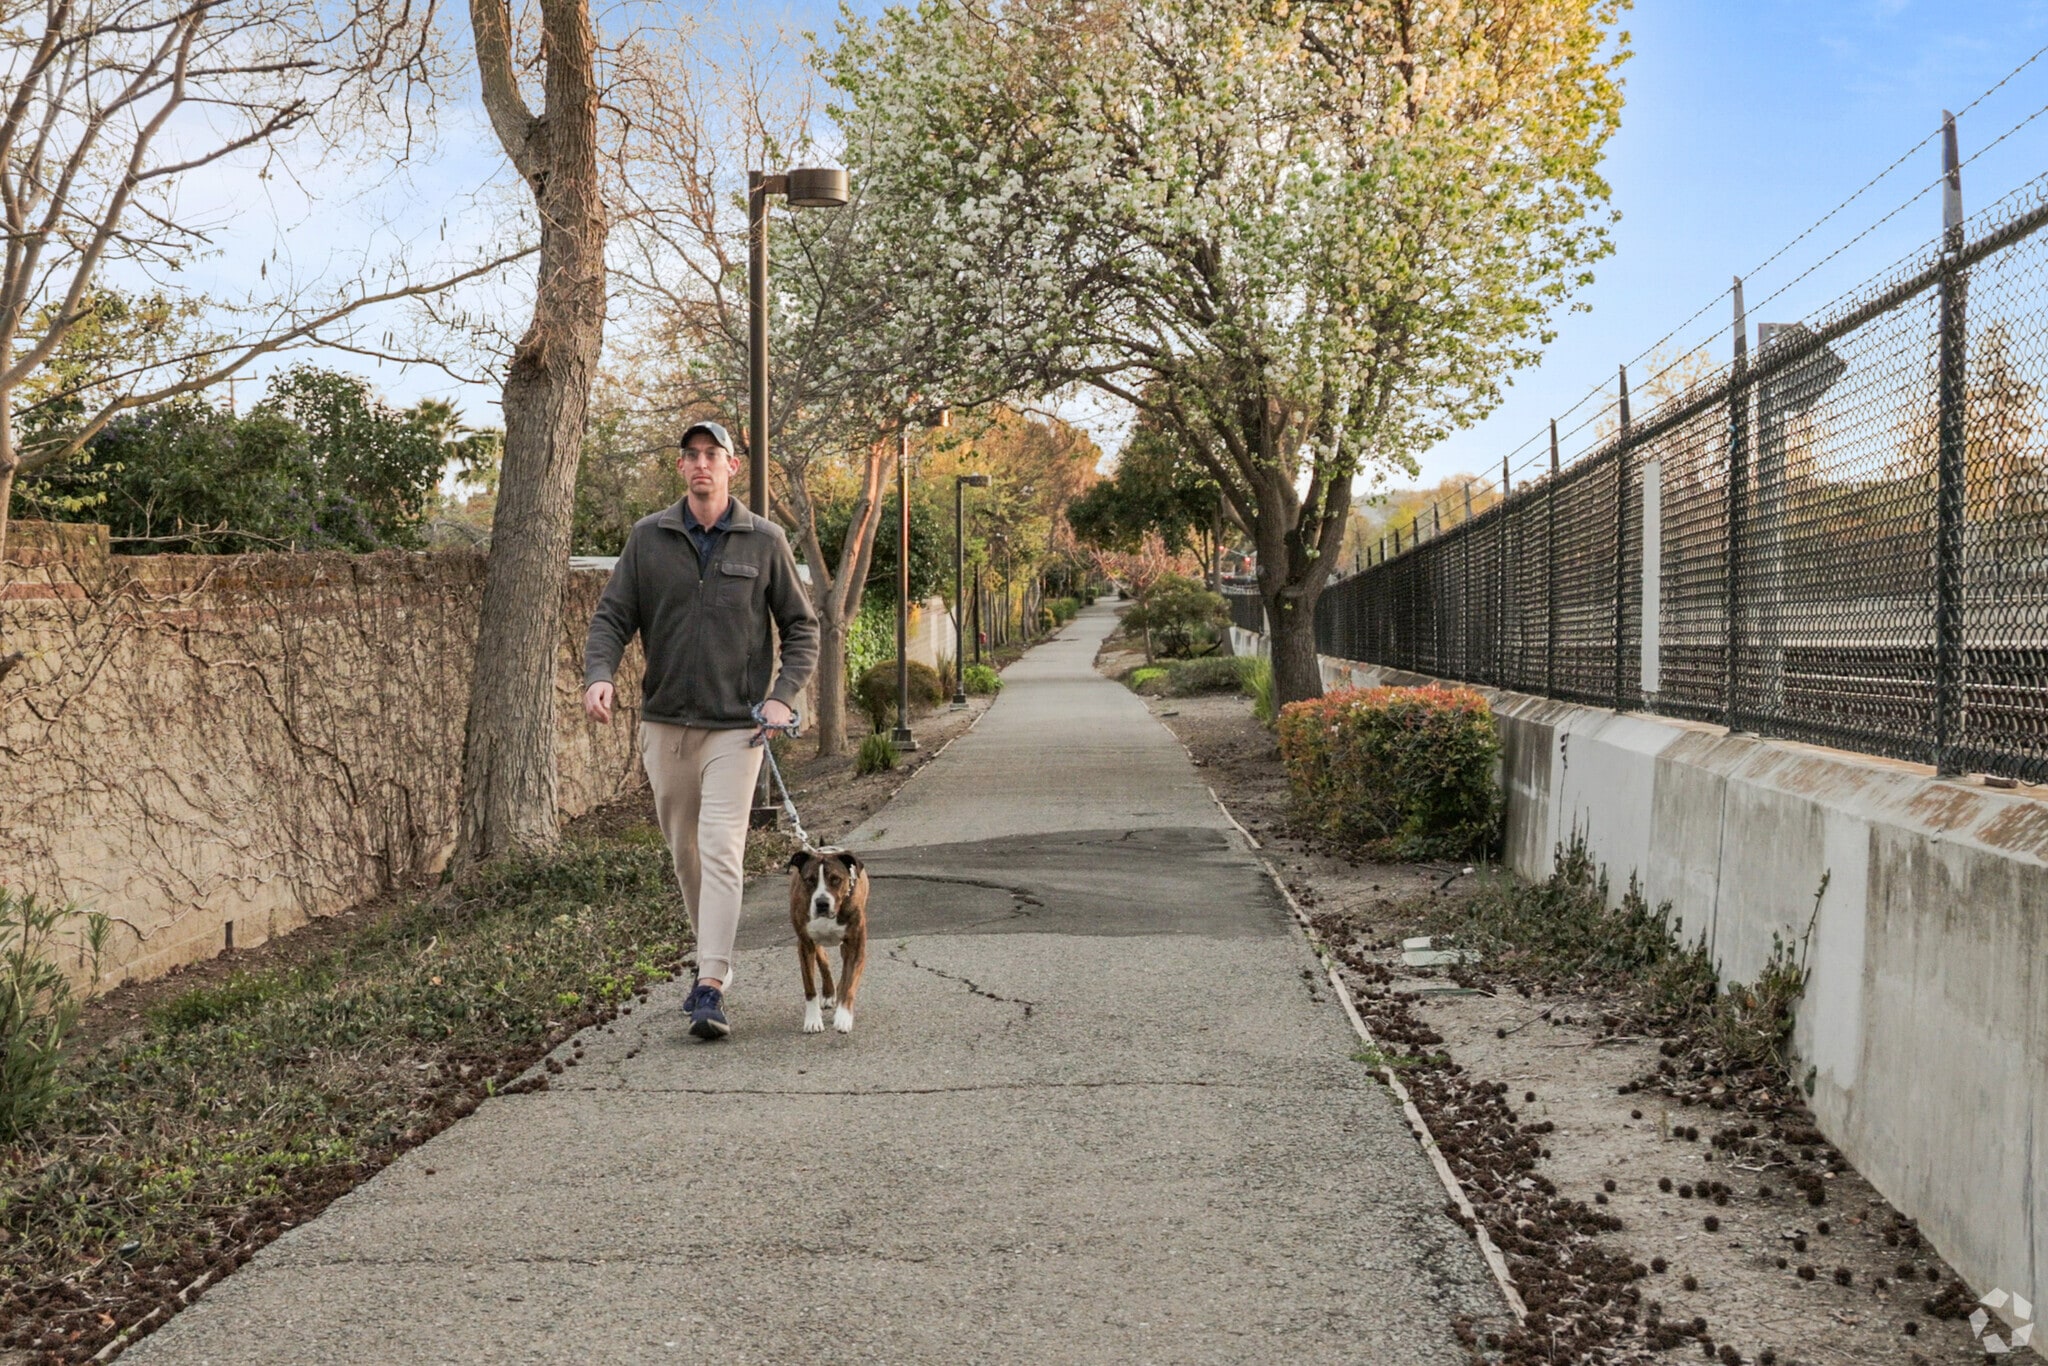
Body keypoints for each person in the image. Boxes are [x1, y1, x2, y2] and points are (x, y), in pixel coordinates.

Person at [581, 419, 819, 1040]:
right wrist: (599, 674)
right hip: (664, 726)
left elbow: (802, 629)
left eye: (713, 454)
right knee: (686, 856)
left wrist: (781, 698)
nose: (701, 464)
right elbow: (612, 616)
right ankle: (711, 961)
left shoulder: (764, 541)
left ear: (732, 466)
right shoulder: (648, 538)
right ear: (682, 467)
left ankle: (710, 982)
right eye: (691, 455)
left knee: (720, 849)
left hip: (736, 729)